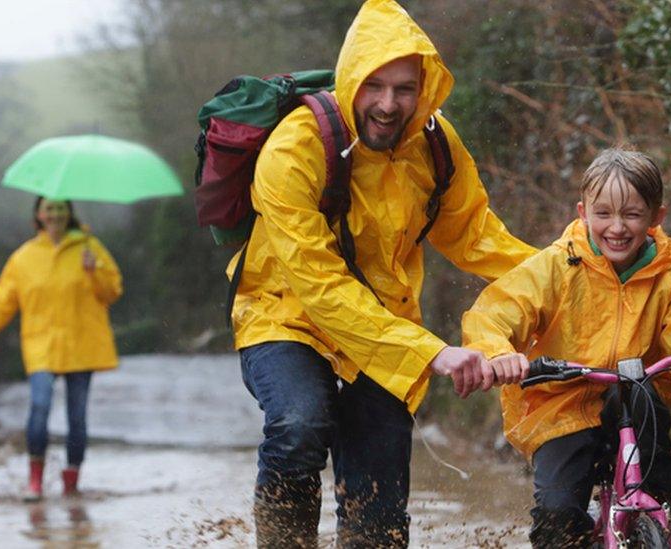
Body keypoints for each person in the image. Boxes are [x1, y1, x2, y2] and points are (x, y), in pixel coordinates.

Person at [229, 1, 536, 545]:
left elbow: (476, 237)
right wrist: (430, 352)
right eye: (375, 86)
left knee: (379, 519)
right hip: (286, 316)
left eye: (404, 89)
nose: (388, 105)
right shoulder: (293, 151)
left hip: (387, 329)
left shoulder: (435, 145)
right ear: (351, 80)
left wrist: (572, 272)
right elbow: (321, 289)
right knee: (301, 424)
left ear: (425, 89)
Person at [461, 147, 671, 548]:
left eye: (632, 214)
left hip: (636, 400)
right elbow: (496, 314)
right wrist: (497, 352)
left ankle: (670, 525)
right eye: (604, 214)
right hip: (561, 406)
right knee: (559, 516)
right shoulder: (556, 266)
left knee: (653, 443)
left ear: (656, 218)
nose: (617, 227)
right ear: (583, 212)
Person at [0, 197, 122, 501]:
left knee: (77, 417)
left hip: (81, 344)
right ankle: (35, 482)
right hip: (41, 344)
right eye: (49, 208)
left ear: (69, 213)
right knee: (40, 405)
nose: (55, 213)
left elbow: (112, 291)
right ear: (38, 214)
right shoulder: (23, 258)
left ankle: (71, 483)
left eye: (61, 207)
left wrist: (93, 270)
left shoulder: (91, 248)